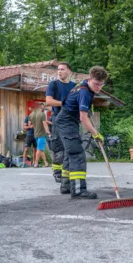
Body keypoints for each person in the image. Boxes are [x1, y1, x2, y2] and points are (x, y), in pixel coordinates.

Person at [55, 66, 107, 199]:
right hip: (66, 121)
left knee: (70, 152)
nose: (98, 87)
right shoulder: (84, 92)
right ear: (90, 79)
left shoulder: (84, 86)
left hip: (67, 121)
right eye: (96, 84)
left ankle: (66, 186)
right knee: (77, 153)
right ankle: (78, 190)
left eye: (101, 85)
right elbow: (83, 118)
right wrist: (95, 134)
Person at [45, 62, 76, 191]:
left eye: (62, 69)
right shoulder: (53, 84)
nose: (59, 71)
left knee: (70, 147)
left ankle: (68, 174)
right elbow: (49, 101)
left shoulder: (74, 86)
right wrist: (64, 104)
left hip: (72, 120)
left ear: (69, 71)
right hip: (57, 119)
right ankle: (57, 173)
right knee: (58, 148)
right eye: (58, 69)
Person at [29, 102, 49, 168]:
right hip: (42, 134)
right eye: (43, 105)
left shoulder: (31, 115)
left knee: (40, 149)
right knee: (39, 150)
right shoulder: (42, 114)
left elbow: (29, 125)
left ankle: (46, 163)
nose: (44, 106)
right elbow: (44, 124)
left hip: (36, 134)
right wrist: (48, 132)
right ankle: (36, 163)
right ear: (40, 106)